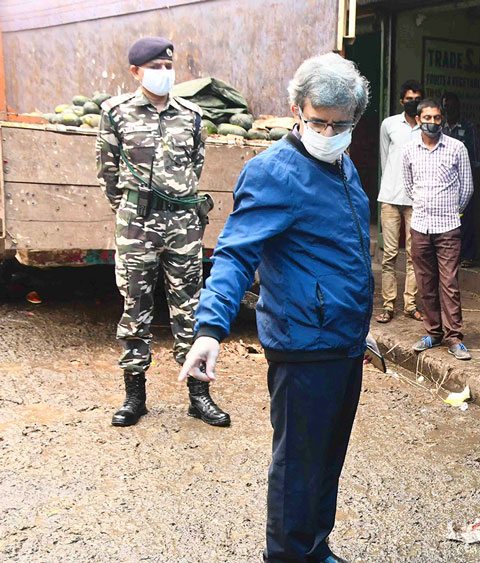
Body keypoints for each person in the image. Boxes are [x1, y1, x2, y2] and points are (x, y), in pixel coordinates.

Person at [179, 53, 372, 563]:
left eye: (342, 123)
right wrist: (209, 329)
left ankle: (315, 548)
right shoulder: (272, 173)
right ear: (296, 110)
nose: (330, 131)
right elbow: (235, 254)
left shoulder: (343, 163)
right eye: (319, 122)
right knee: (298, 468)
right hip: (303, 344)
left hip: (343, 342)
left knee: (328, 461)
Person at [97, 36, 229, 428]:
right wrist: (131, 210)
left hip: (183, 224)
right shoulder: (116, 113)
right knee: (134, 306)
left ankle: (199, 396)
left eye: (168, 67)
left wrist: (173, 204)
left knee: (190, 307)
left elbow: (196, 164)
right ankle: (134, 395)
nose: (164, 73)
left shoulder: (191, 114)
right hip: (137, 223)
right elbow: (108, 173)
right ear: (136, 72)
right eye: (155, 67)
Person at [403, 99, 474, 361]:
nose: (432, 122)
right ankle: (433, 332)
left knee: (449, 282)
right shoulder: (410, 150)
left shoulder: (457, 148)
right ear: (419, 119)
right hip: (420, 226)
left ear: (442, 120)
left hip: (448, 227)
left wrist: (452, 211)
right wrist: (424, 207)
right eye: (427, 118)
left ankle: (453, 336)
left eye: (436, 118)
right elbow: (409, 186)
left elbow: (466, 188)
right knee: (425, 281)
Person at [375, 79, 424, 324]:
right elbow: (385, 160)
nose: (413, 102)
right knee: (389, 255)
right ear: (401, 100)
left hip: (416, 200)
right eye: (409, 98)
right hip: (390, 198)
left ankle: (410, 304)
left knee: (414, 255)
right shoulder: (389, 125)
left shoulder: (427, 126)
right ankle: (388, 304)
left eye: (417, 98)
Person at [441, 92, 480, 267]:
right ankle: (448, 255)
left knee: (465, 220)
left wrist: (471, 180)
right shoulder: (440, 128)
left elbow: (478, 157)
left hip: (463, 182)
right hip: (444, 183)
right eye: (445, 106)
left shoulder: (469, 128)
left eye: (451, 106)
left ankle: (466, 255)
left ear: (458, 107)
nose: (448, 110)